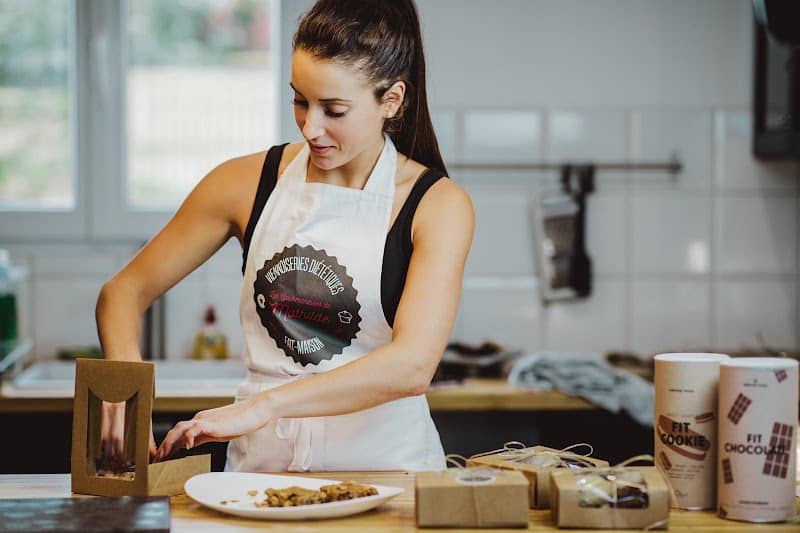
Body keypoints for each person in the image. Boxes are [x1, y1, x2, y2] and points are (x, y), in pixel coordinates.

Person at [96, 0, 473, 472]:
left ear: (391, 100)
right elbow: (123, 292)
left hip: (390, 480)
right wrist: (123, 382)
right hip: (258, 484)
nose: (311, 127)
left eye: (334, 109)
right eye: (300, 100)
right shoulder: (243, 182)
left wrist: (263, 405)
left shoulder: (436, 205)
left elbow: (411, 367)